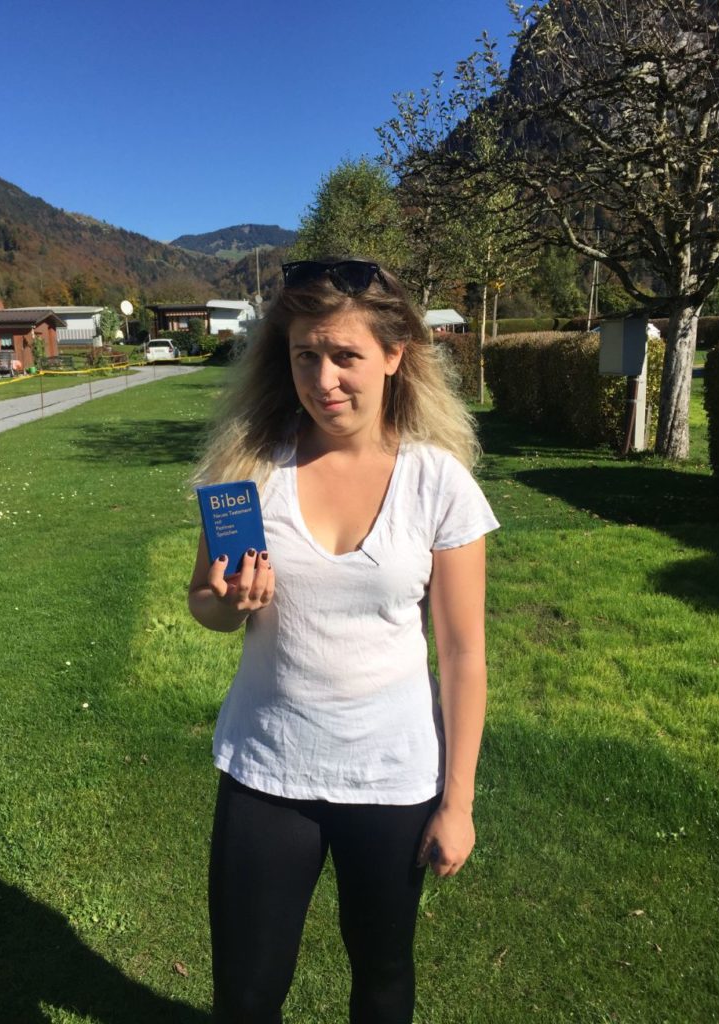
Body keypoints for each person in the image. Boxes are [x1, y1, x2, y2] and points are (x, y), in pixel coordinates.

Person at [187, 257, 499, 1024]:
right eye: (305, 355)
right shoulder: (249, 470)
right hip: (267, 769)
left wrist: (457, 803)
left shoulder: (439, 484)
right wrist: (228, 604)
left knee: (384, 977)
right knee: (247, 992)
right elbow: (206, 602)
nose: (323, 378)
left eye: (346, 356)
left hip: (391, 780)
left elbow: (462, 656)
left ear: (395, 356)